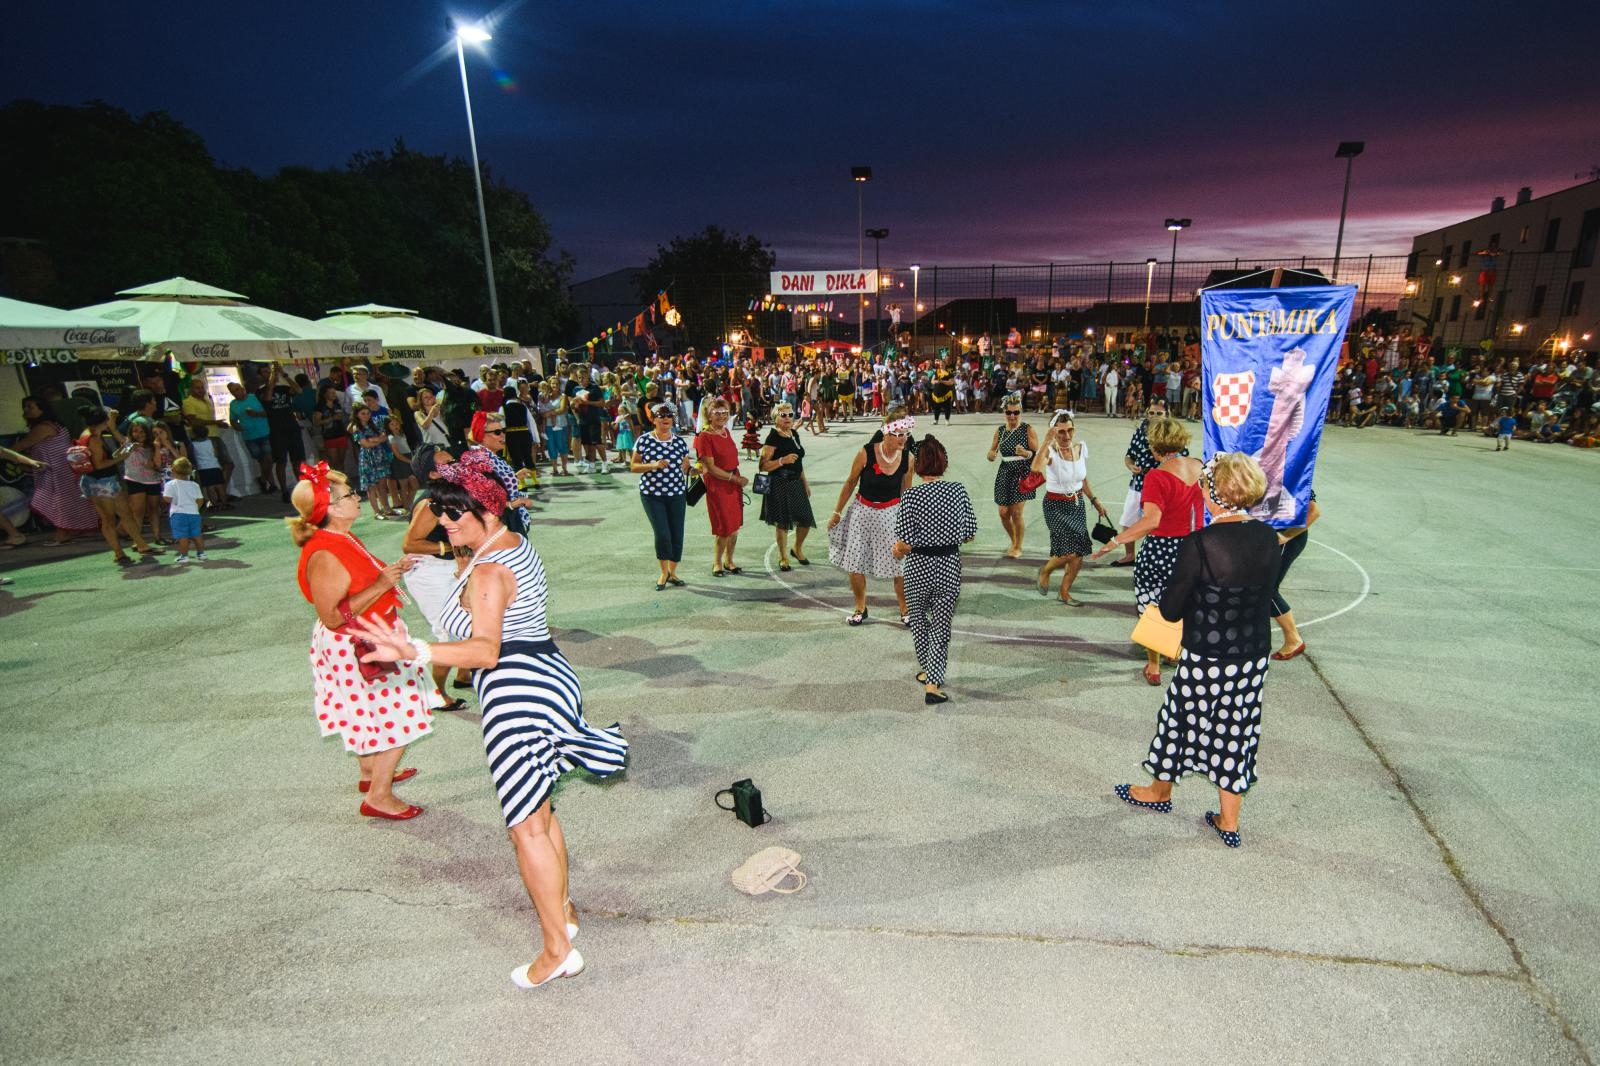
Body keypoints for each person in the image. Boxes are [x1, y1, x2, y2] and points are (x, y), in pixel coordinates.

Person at [351, 451, 628, 988]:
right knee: (541, 813)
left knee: (525, 828)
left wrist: (414, 650)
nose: (445, 523)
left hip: (514, 692)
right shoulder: (507, 546)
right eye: (441, 513)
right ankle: (563, 913)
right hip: (548, 675)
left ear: (490, 510)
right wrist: (461, 554)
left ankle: (556, 950)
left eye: (457, 514)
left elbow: (483, 650)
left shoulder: (491, 569)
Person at [1114, 453, 1281, 849]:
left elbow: (1171, 609)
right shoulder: (1269, 538)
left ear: (1213, 493)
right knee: (1236, 727)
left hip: (1208, 652)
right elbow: (1266, 594)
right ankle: (1229, 819)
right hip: (1253, 654)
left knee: (1180, 720)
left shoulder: (1201, 544)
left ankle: (1159, 791)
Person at [287, 460, 433, 819]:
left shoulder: (340, 536)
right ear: (332, 508)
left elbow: (359, 580)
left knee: (371, 713)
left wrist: (389, 574)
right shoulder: (325, 552)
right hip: (358, 643)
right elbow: (333, 616)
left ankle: (371, 773)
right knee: (402, 712)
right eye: (350, 494)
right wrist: (384, 584)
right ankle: (379, 796)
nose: (358, 497)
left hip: (368, 637)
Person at [1092, 416, 1201, 686]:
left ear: (1154, 447)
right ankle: (1174, 652)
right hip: (1193, 548)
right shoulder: (1200, 466)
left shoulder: (1157, 476)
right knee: (1182, 602)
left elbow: (1151, 520)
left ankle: (1153, 665)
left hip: (1161, 548)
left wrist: (1116, 542)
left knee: (1151, 605)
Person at [892, 436, 978, 705]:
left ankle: (929, 672)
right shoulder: (958, 491)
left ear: (917, 466)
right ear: (944, 462)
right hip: (948, 565)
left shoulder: (911, 496)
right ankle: (932, 679)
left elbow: (904, 543)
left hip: (918, 566)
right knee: (942, 625)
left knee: (918, 620)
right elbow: (970, 533)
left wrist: (897, 551)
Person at [400, 444, 472, 709]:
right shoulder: (430, 501)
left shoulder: (453, 491)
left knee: (470, 621)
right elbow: (410, 544)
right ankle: (435, 693)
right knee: (450, 632)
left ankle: (464, 674)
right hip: (428, 571)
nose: (456, 465)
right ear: (433, 474)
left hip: (451, 567)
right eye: (448, 463)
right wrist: (448, 548)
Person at [827, 410, 914, 626]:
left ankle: (905, 610)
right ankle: (860, 608)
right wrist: (837, 512)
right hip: (861, 512)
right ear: (887, 434)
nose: (905, 438)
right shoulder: (866, 453)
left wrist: (908, 521)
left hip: (891, 513)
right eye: (900, 434)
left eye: (907, 434)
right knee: (854, 563)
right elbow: (850, 482)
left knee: (900, 563)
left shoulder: (908, 458)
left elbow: (907, 491)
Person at [1030, 412, 1107, 605]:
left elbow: (1082, 478)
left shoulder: (1080, 448)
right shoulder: (1050, 451)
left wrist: (1094, 500)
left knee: (1078, 554)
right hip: (1055, 506)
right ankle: (1045, 571)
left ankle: (1064, 592)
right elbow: (1035, 467)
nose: (1066, 436)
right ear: (1054, 432)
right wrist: (1047, 439)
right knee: (1067, 553)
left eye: (1070, 430)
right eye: (1061, 432)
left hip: (1077, 504)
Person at [75, 406, 156, 565]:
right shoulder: (95, 439)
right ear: (103, 422)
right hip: (104, 481)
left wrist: (119, 452)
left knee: (117, 515)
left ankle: (138, 545)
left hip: (91, 481)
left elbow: (98, 460)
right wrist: (122, 457)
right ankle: (122, 551)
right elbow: (99, 464)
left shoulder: (85, 434)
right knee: (111, 518)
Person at [14, 396, 97, 544]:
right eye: (25, 407)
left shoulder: (43, 428)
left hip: (56, 472)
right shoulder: (53, 424)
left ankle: (62, 533)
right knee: (70, 501)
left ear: (42, 409)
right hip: (61, 470)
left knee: (57, 502)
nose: (26, 410)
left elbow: (20, 446)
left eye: (30, 407)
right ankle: (78, 529)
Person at [630, 401, 692, 590]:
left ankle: (673, 572)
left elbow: (686, 468)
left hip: (677, 494)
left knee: (676, 533)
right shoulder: (644, 440)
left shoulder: (680, 442)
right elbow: (633, 467)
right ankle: (663, 572)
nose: (666, 419)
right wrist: (654, 465)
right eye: (661, 416)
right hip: (652, 495)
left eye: (669, 416)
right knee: (662, 533)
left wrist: (699, 469)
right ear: (654, 419)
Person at [758, 402, 816, 572]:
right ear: (775, 418)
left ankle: (796, 549)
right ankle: (783, 557)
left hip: (796, 482)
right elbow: (762, 466)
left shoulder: (793, 434)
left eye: (790, 414)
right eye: (783, 415)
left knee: (805, 519)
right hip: (779, 483)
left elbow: (799, 462)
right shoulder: (773, 438)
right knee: (782, 523)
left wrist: (805, 482)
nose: (788, 418)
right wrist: (782, 460)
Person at [694, 398, 748, 577]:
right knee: (724, 527)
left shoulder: (726, 432)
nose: (722, 416)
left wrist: (735, 479)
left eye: (725, 412)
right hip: (719, 485)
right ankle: (717, 562)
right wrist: (734, 479)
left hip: (733, 483)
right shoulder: (704, 437)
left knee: (734, 526)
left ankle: (729, 560)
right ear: (708, 415)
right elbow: (710, 468)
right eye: (717, 413)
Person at [1112, 399, 1170, 567]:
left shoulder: (1172, 433)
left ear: (1167, 414)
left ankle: (1158, 560)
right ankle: (1130, 555)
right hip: (1138, 483)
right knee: (1128, 520)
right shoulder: (1140, 431)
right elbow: (1129, 454)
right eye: (1151, 413)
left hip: (1161, 486)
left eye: (1159, 413)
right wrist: (1130, 465)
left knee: (1158, 523)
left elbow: (1178, 459)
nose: (1155, 416)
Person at [1268, 491, 1319, 662]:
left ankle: (1293, 639)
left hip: (1284, 537)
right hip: (1266, 537)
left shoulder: (1293, 474)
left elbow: (1313, 511)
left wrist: (1286, 535)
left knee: (1268, 590)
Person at [986, 393, 1038, 558]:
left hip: (1021, 473)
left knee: (1016, 512)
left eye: (1016, 412)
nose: (1012, 416)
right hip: (1005, 472)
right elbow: (991, 451)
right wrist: (991, 455)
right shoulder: (1000, 431)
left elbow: (1037, 453)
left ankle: (1017, 546)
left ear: (1020, 412)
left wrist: (1026, 453)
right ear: (1005, 413)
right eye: (1009, 413)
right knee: (1003, 513)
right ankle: (1014, 538)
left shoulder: (1027, 429)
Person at [226, 381, 275, 493]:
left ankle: (263, 479)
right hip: (249, 436)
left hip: (264, 432)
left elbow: (269, 412)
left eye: (237, 390)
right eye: (233, 392)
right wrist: (238, 426)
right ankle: (271, 483)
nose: (235, 393)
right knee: (262, 461)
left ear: (242, 388)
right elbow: (232, 420)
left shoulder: (255, 397)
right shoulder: (233, 404)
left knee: (269, 459)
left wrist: (256, 414)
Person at [349, 405, 396, 520]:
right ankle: (377, 511)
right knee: (371, 486)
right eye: (363, 413)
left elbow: (384, 437)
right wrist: (376, 440)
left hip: (379, 456)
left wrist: (372, 440)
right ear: (357, 415)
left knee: (382, 484)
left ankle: (387, 508)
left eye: (367, 413)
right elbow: (365, 444)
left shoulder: (374, 423)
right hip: (367, 458)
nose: (366, 416)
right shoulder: (356, 427)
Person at [162, 458, 207, 563]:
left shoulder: (170, 484)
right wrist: (195, 508)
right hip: (194, 514)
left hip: (178, 514)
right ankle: (201, 553)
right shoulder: (195, 485)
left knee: (182, 536)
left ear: (173, 470)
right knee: (197, 534)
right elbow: (200, 500)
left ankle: (184, 555)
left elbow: (167, 499)